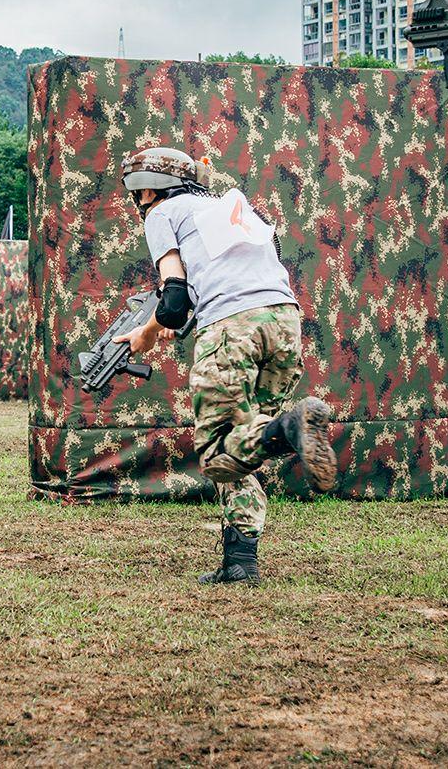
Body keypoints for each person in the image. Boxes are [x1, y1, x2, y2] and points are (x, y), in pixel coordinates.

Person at [111, 146, 336, 585]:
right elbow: (220, 288)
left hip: (233, 329)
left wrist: (148, 332)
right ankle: (241, 562)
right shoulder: (229, 207)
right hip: (284, 322)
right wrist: (188, 322)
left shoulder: (162, 213)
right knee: (246, 443)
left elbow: (173, 302)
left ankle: (291, 427)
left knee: (217, 454)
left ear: (145, 189)